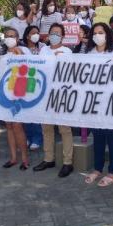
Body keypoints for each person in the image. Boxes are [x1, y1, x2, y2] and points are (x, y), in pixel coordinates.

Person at [82, 23, 113, 187]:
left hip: (112, 101)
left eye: (101, 32)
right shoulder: (89, 53)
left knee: (112, 137)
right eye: (95, 33)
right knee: (98, 137)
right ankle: (97, 168)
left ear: (107, 34)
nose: (98, 35)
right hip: (95, 101)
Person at [34, 23, 75, 177]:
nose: (54, 35)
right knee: (46, 129)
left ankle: (67, 162)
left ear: (63, 36)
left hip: (61, 94)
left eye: (57, 33)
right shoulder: (43, 50)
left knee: (64, 129)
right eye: (52, 33)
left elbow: (72, 73)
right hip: (44, 94)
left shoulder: (67, 51)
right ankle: (48, 158)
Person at [0, 27, 30, 169]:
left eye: (12, 36)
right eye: (7, 36)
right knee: (8, 126)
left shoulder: (24, 50)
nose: (9, 38)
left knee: (17, 126)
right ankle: (13, 157)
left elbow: (29, 67)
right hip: (3, 93)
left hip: (18, 93)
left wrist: (19, 55)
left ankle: (25, 159)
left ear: (17, 37)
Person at [22, 25, 43, 150]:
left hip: (39, 82)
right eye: (33, 33)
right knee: (25, 111)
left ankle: (37, 138)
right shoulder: (21, 48)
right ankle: (29, 137)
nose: (36, 35)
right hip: (24, 81)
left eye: (38, 33)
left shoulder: (43, 48)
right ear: (27, 35)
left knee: (35, 111)